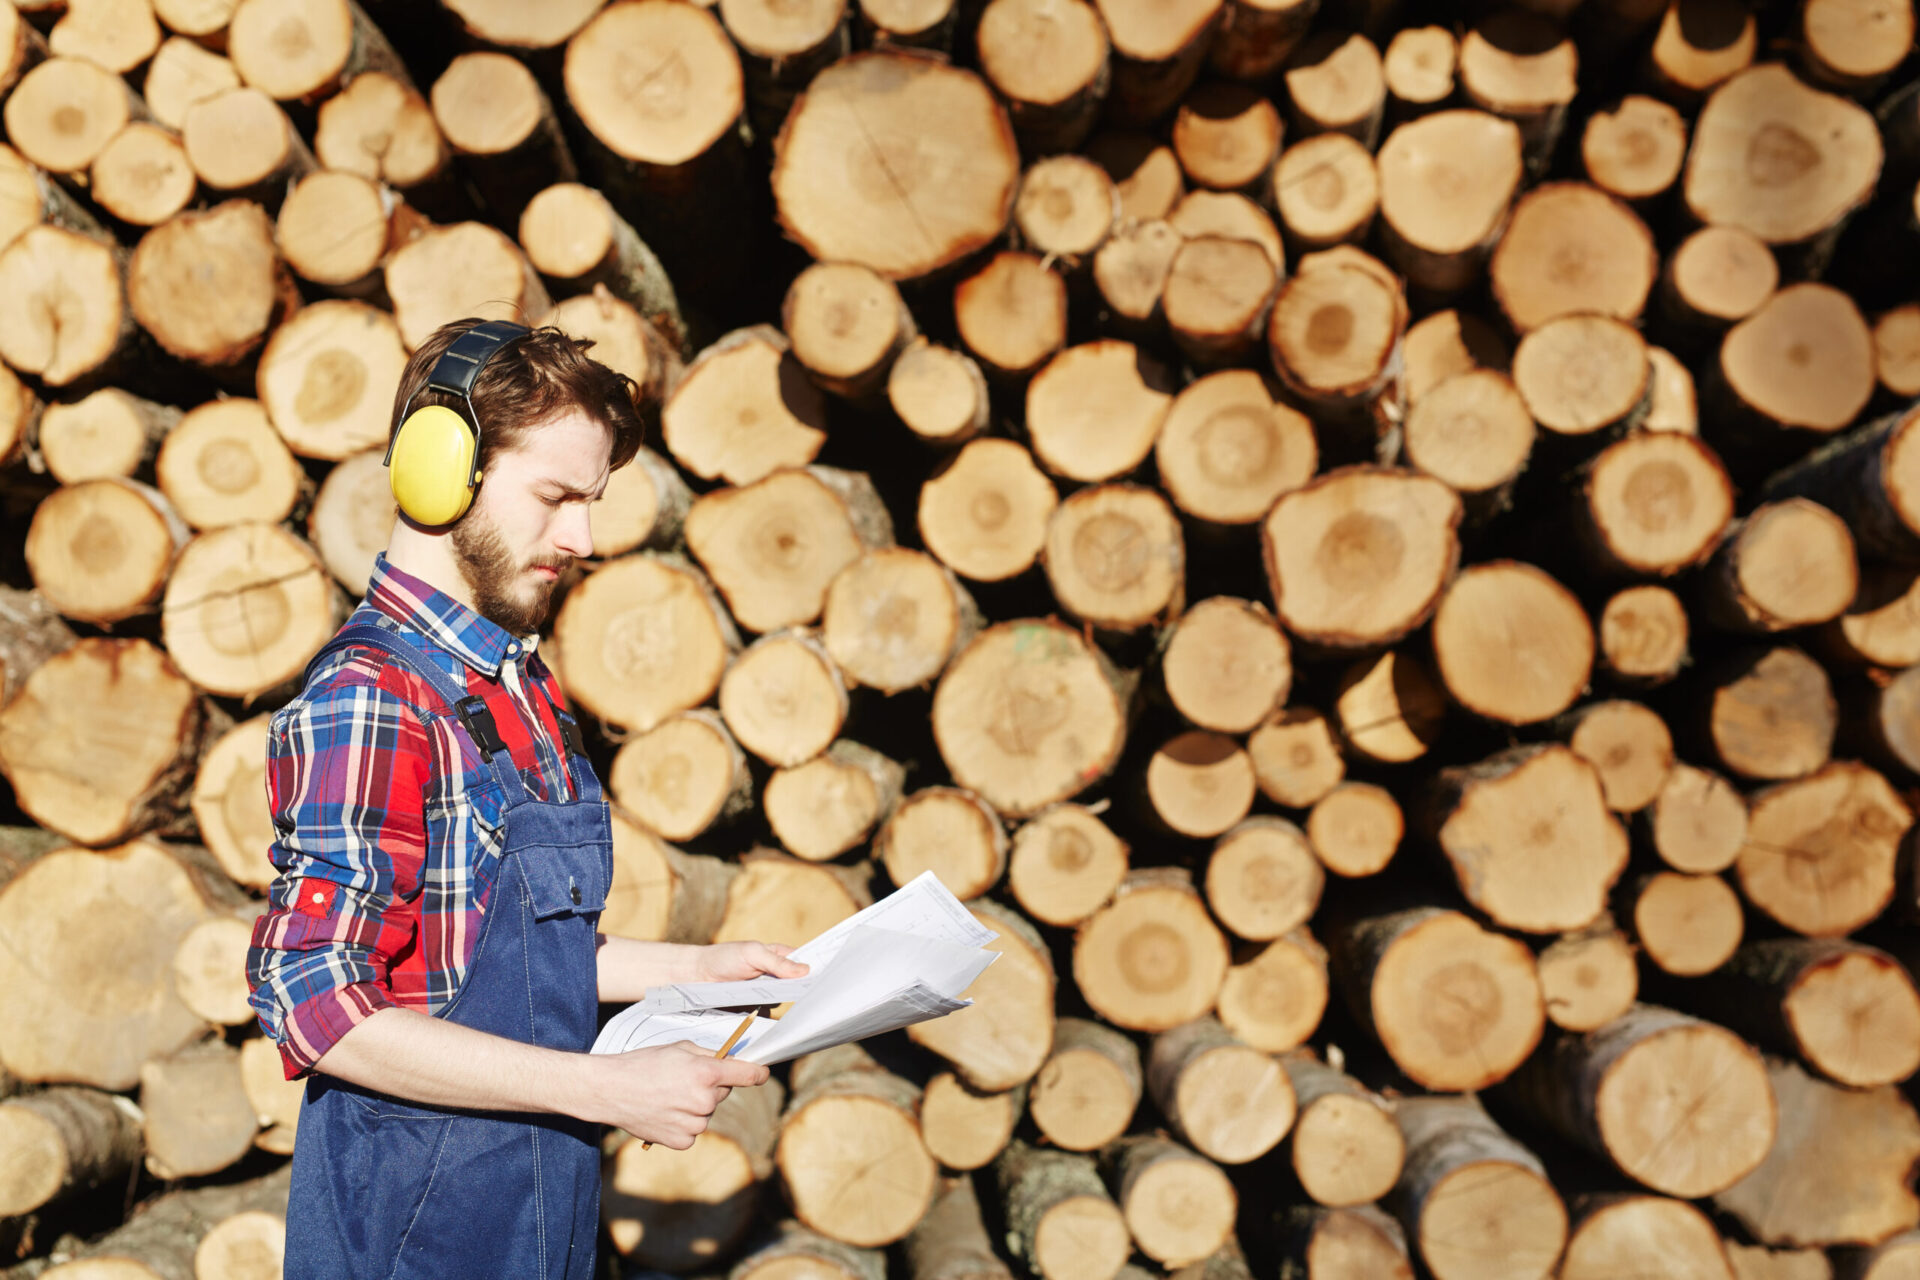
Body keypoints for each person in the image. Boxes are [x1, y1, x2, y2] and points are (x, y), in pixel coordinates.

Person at [246, 317, 801, 1279]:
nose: (582, 537)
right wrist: (601, 1088)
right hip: (413, 1237)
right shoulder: (374, 699)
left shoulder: (515, 687)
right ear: (437, 467)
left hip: (538, 1214)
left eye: (590, 501)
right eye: (554, 497)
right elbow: (316, 1002)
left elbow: (504, 958)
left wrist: (701, 969)